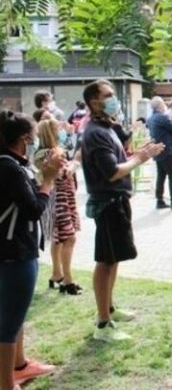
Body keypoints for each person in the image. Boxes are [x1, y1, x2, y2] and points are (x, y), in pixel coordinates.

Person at [80, 80, 165, 342]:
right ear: (94, 102)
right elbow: (113, 172)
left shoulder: (105, 129)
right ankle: (103, 324)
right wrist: (139, 159)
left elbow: (119, 161)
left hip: (116, 202)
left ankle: (109, 309)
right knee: (105, 260)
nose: (113, 99)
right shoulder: (95, 133)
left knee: (113, 257)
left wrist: (136, 155)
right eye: (107, 95)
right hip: (108, 203)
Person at [0, 111, 63, 390]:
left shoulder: (12, 164)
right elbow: (32, 209)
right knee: (8, 322)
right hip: (14, 253)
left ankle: (20, 365)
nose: (36, 140)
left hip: (13, 250)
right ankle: (6, 383)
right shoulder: (8, 167)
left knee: (15, 313)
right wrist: (48, 180)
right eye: (34, 136)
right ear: (24, 138)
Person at [36, 120, 82, 295]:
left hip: (57, 197)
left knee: (59, 239)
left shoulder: (42, 153)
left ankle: (57, 274)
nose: (61, 131)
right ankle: (68, 280)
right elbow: (63, 173)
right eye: (58, 129)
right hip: (60, 198)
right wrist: (76, 161)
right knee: (69, 238)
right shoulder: (51, 154)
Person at [147, 97, 172, 211]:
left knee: (161, 176)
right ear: (160, 106)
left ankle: (160, 201)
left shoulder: (150, 118)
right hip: (166, 150)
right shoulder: (163, 117)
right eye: (163, 104)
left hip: (157, 150)